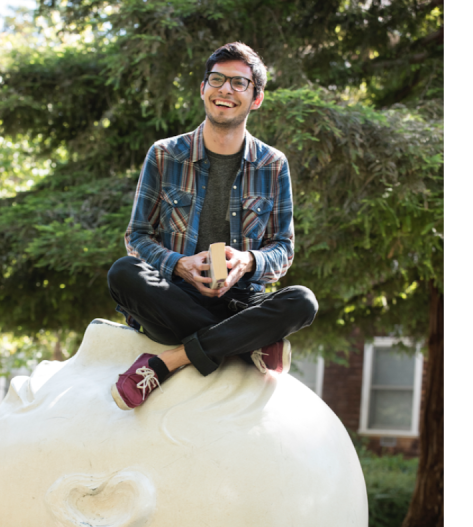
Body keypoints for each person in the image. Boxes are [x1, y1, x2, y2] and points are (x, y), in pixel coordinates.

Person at [107, 42, 318, 410]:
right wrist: (179, 266)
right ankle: (245, 343)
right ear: (203, 88)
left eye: (239, 83)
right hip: (174, 298)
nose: (225, 90)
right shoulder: (164, 153)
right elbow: (136, 237)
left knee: (303, 301)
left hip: (240, 301)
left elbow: (283, 248)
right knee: (124, 272)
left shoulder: (273, 164)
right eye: (217, 79)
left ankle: (168, 362)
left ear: (256, 99)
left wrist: (248, 262)